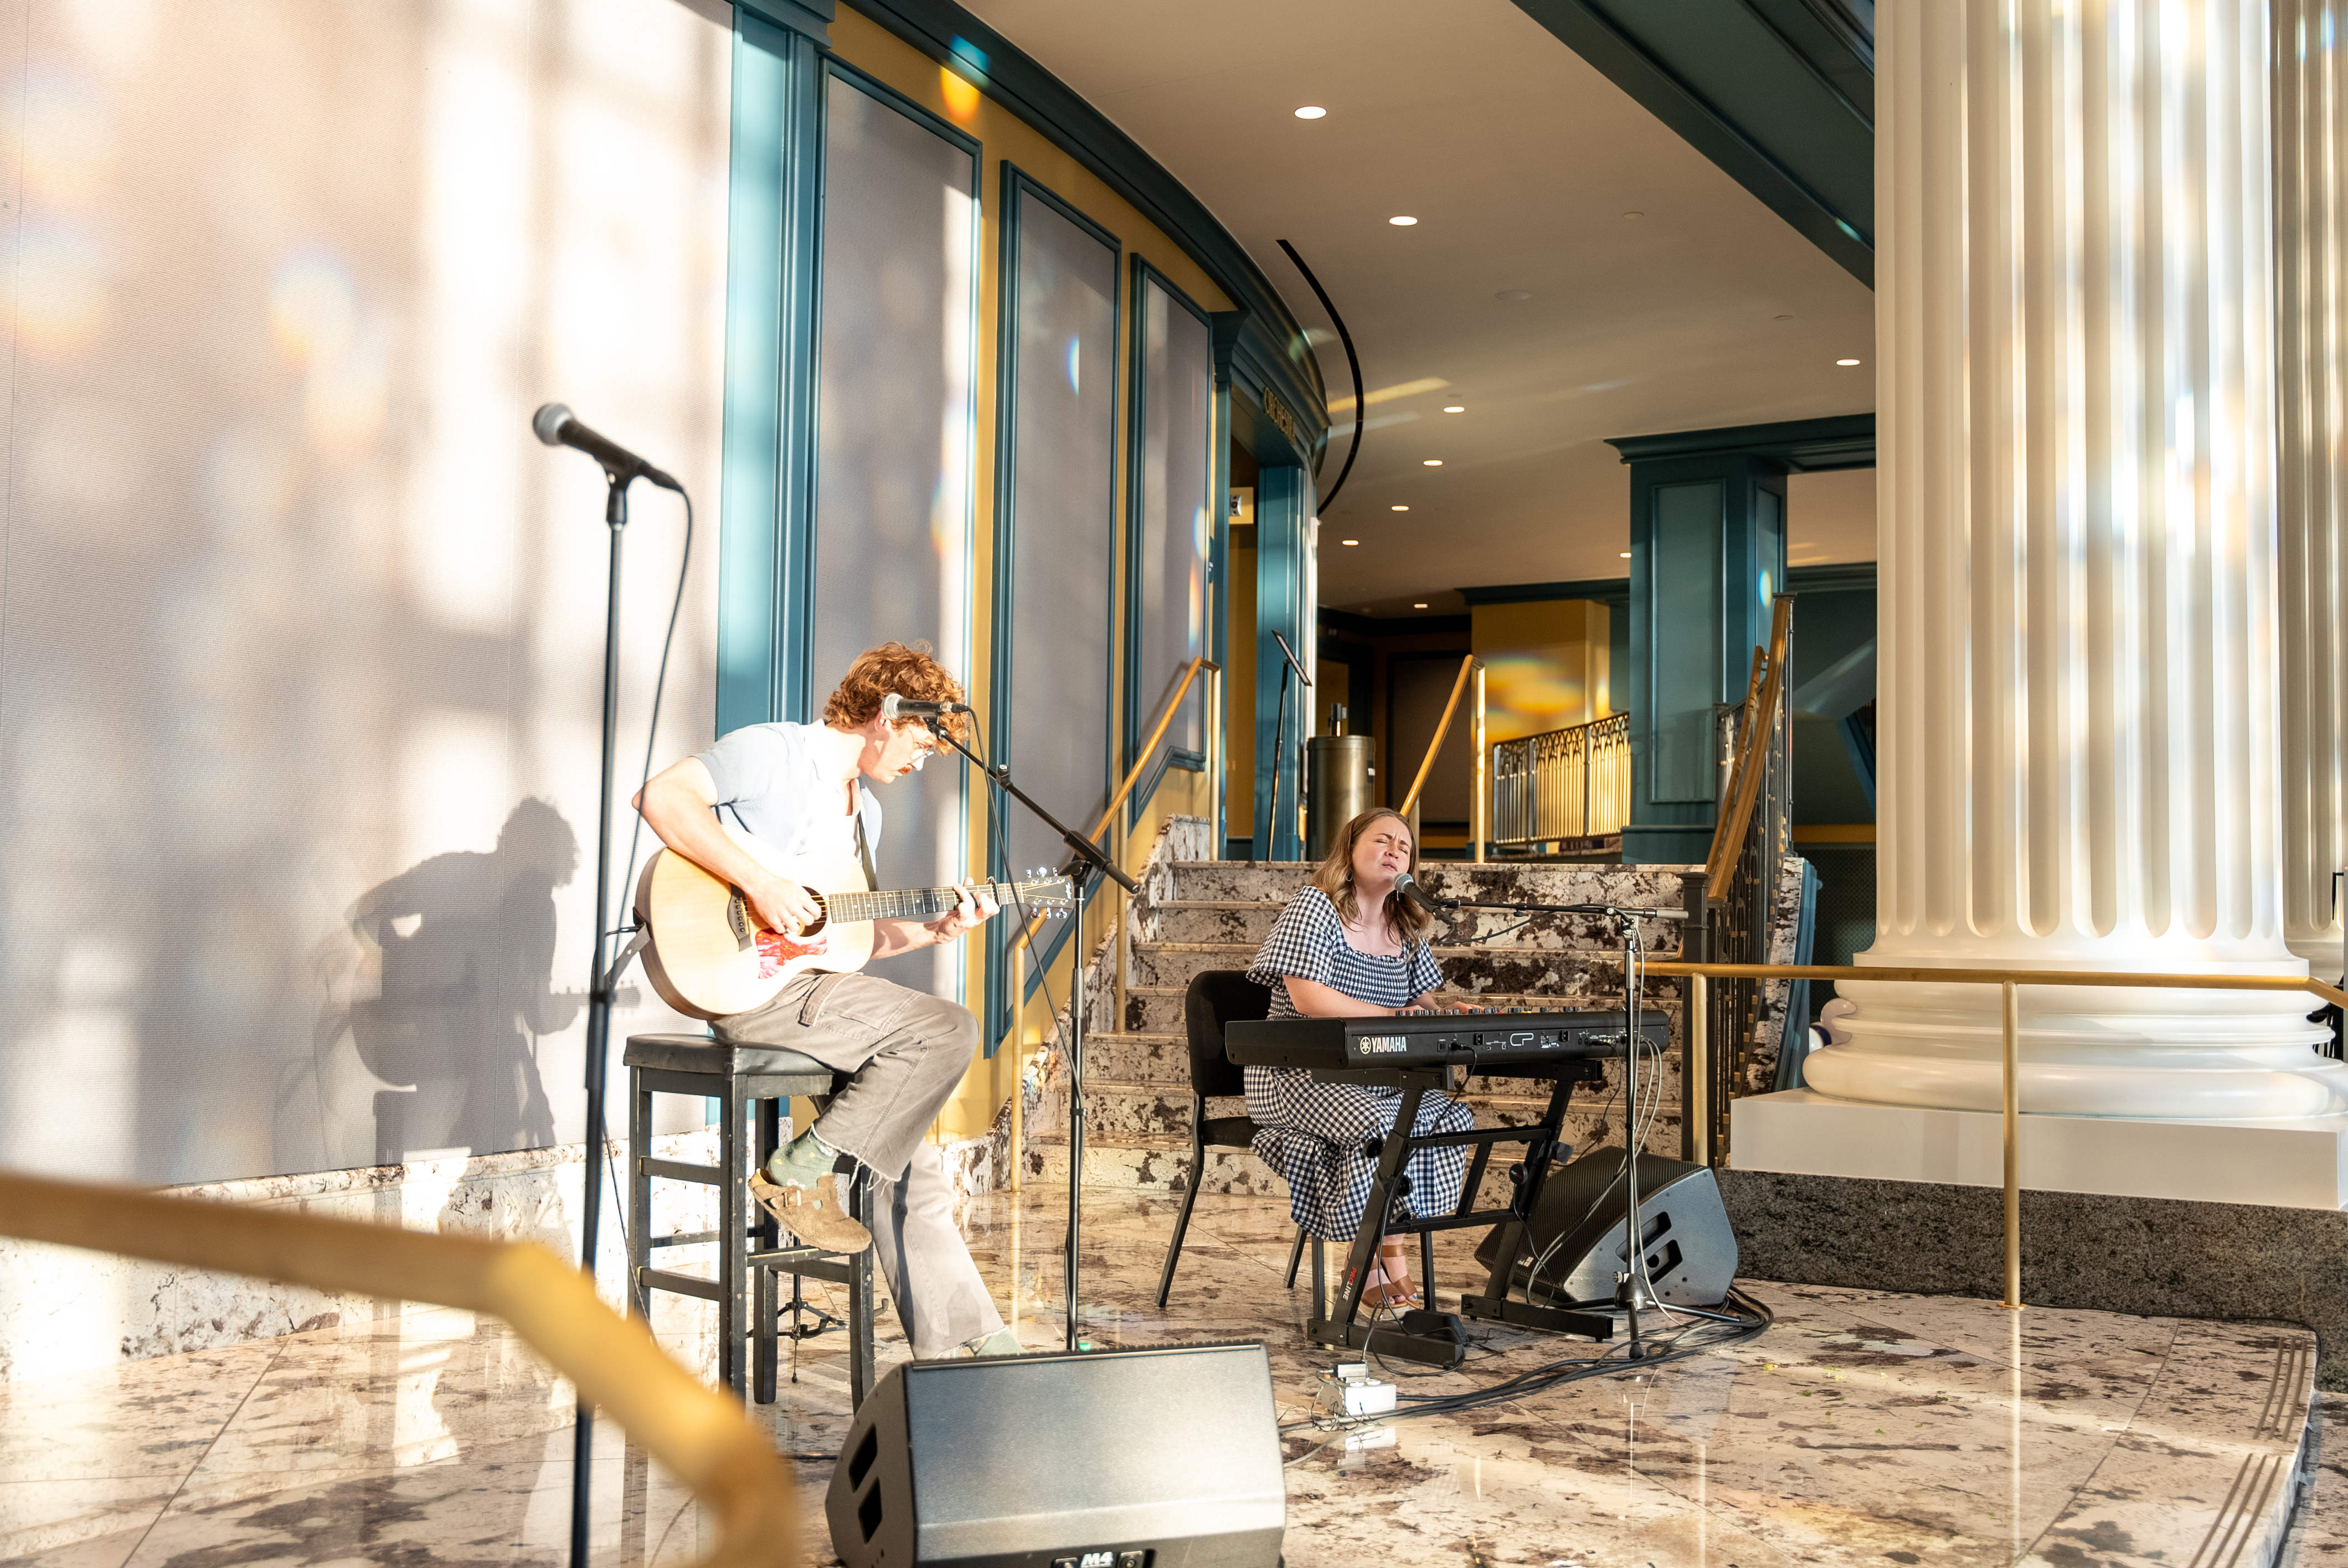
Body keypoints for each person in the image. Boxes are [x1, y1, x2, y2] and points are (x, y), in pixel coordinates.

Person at [634, 641, 1022, 1359]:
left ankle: (970, 1347)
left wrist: (938, 930)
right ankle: (799, 1171)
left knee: (911, 1159)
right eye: (921, 741)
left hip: (819, 993)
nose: (924, 761)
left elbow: (845, 943)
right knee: (949, 1029)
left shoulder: (863, 818)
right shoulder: (777, 753)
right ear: (884, 715)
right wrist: (759, 883)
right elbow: (661, 798)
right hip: (749, 987)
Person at [1244, 807, 1475, 1308]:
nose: (1394, 850)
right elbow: (1309, 999)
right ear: (1349, 850)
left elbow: (1421, 1002)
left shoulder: (1405, 924)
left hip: (1376, 1074)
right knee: (1378, 1121)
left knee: (1447, 1115)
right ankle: (1366, 1265)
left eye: (1404, 846)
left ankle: (1395, 1256)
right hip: (1300, 1075)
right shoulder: (1315, 907)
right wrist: (1394, 1013)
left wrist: (1441, 1011)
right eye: (1381, 840)